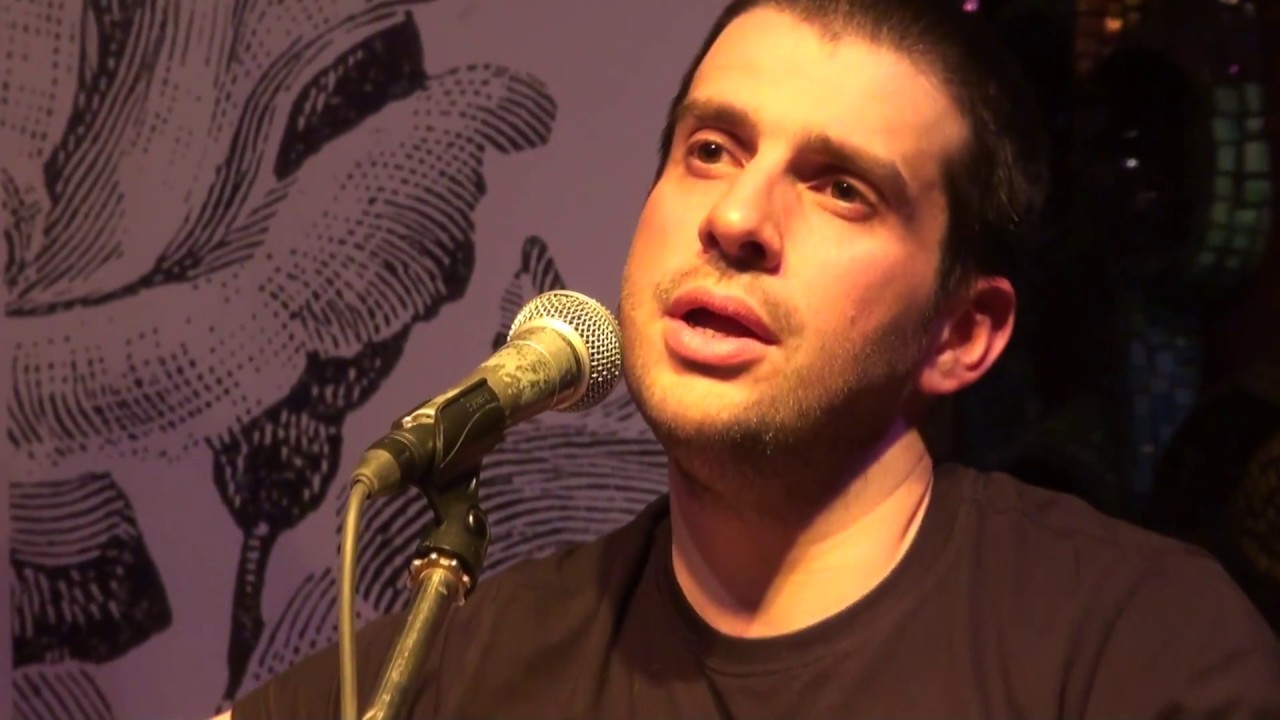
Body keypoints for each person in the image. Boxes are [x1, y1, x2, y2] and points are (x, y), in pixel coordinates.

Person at [226, 1, 1280, 717]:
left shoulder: (1138, 648)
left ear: (961, 334)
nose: (734, 218)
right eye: (710, 150)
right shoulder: (465, 666)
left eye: (840, 189)